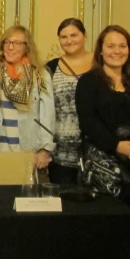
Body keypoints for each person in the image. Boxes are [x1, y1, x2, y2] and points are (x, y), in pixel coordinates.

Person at [76, 25, 130, 177]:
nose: (117, 51)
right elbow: (88, 123)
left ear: (129, 50)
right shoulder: (88, 82)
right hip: (100, 167)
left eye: (122, 46)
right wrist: (117, 146)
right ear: (100, 50)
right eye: (111, 46)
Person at [0, 25, 55, 171]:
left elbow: (48, 114)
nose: (10, 47)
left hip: (27, 151)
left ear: (26, 47)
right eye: (7, 42)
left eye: (16, 43)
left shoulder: (40, 74)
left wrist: (45, 150)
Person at [45, 18, 94, 184]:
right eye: (63, 37)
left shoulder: (101, 63)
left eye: (74, 35)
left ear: (84, 35)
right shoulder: (50, 68)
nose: (69, 40)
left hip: (96, 151)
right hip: (60, 154)